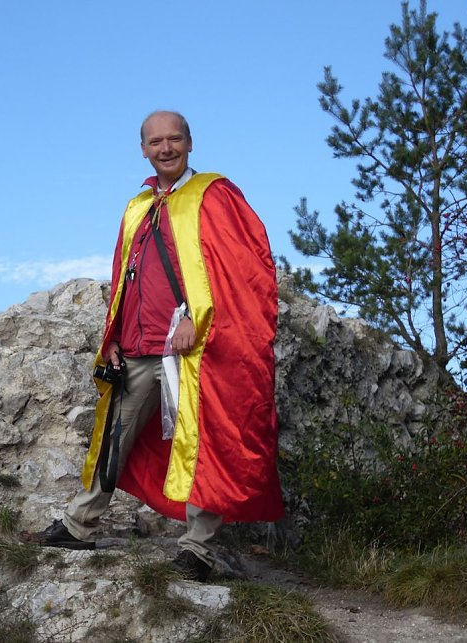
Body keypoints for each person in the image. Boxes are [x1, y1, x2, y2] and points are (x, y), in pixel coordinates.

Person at [22, 110, 284, 581]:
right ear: (143, 148)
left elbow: (242, 272)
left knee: (206, 441)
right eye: (156, 141)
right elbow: (126, 276)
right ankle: (79, 525)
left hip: (196, 348)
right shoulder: (137, 207)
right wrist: (116, 336)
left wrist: (199, 322)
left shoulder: (214, 196)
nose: (166, 148)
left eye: (175, 139)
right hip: (140, 346)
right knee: (113, 436)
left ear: (189, 143)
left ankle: (198, 549)